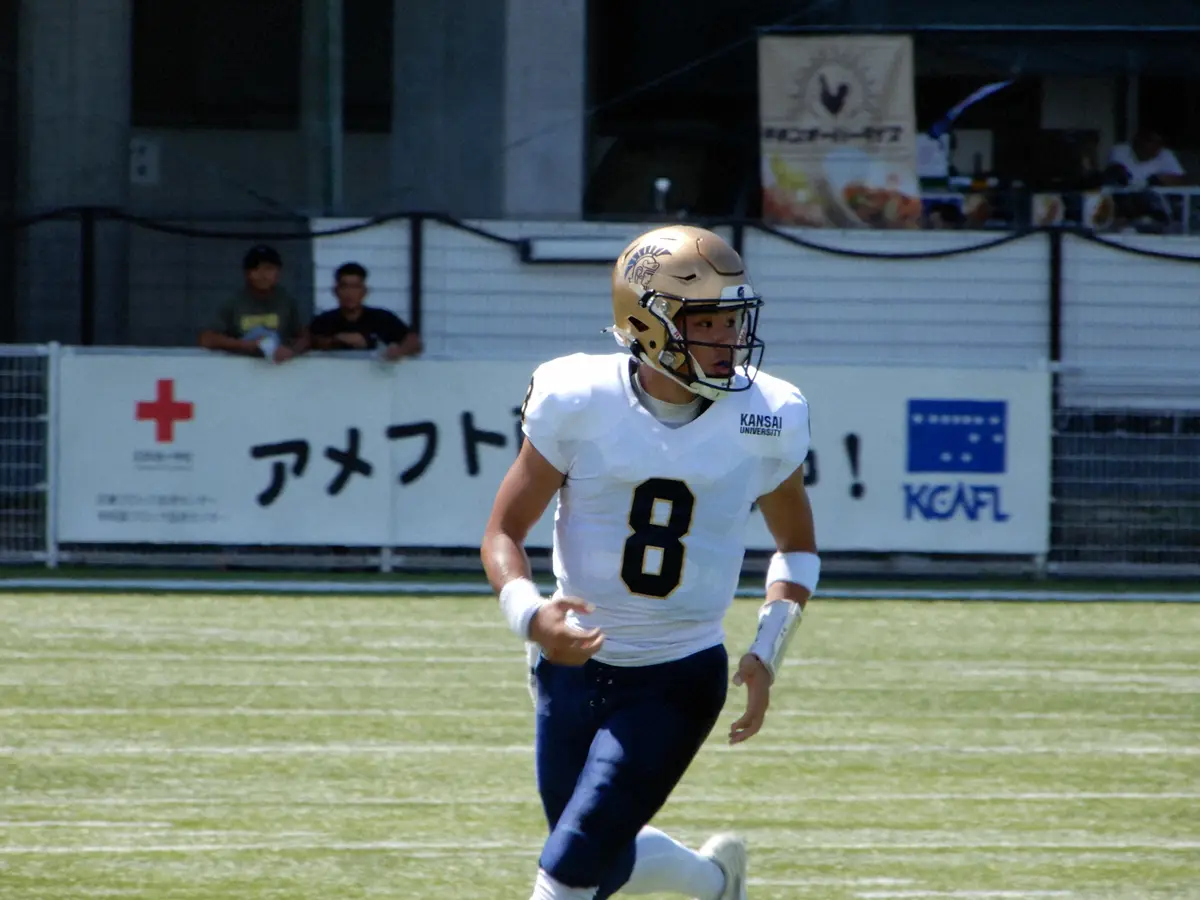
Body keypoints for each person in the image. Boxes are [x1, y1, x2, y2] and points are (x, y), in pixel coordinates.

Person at [480, 225, 820, 900]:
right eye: (706, 323)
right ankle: (714, 883)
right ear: (646, 324)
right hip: (570, 666)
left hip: (677, 672)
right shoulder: (579, 397)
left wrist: (768, 650)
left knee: (568, 867)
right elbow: (502, 533)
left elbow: (797, 547)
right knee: (596, 860)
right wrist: (532, 617)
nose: (727, 341)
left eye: (732, 321)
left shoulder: (768, 413)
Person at [199, 244, 308, 363]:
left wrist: (291, 350)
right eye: (256, 269)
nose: (263, 275)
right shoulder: (233, 302)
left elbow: (305, 338)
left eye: (269, 269)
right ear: (246, 274)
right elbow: (206, 339)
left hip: (278, 368)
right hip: (239, 367)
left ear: (278, 273)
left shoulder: (287, 302)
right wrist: (245, 345)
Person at [309, 262, 423, 359]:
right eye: (344, 287)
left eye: (355, 287)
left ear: (365, 291)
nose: (349, 293)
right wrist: (335, 341)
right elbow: (307, 341)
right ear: (335, 291)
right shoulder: (324, 321)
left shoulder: (382, 318)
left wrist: (398, 352)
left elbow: (414, 343)